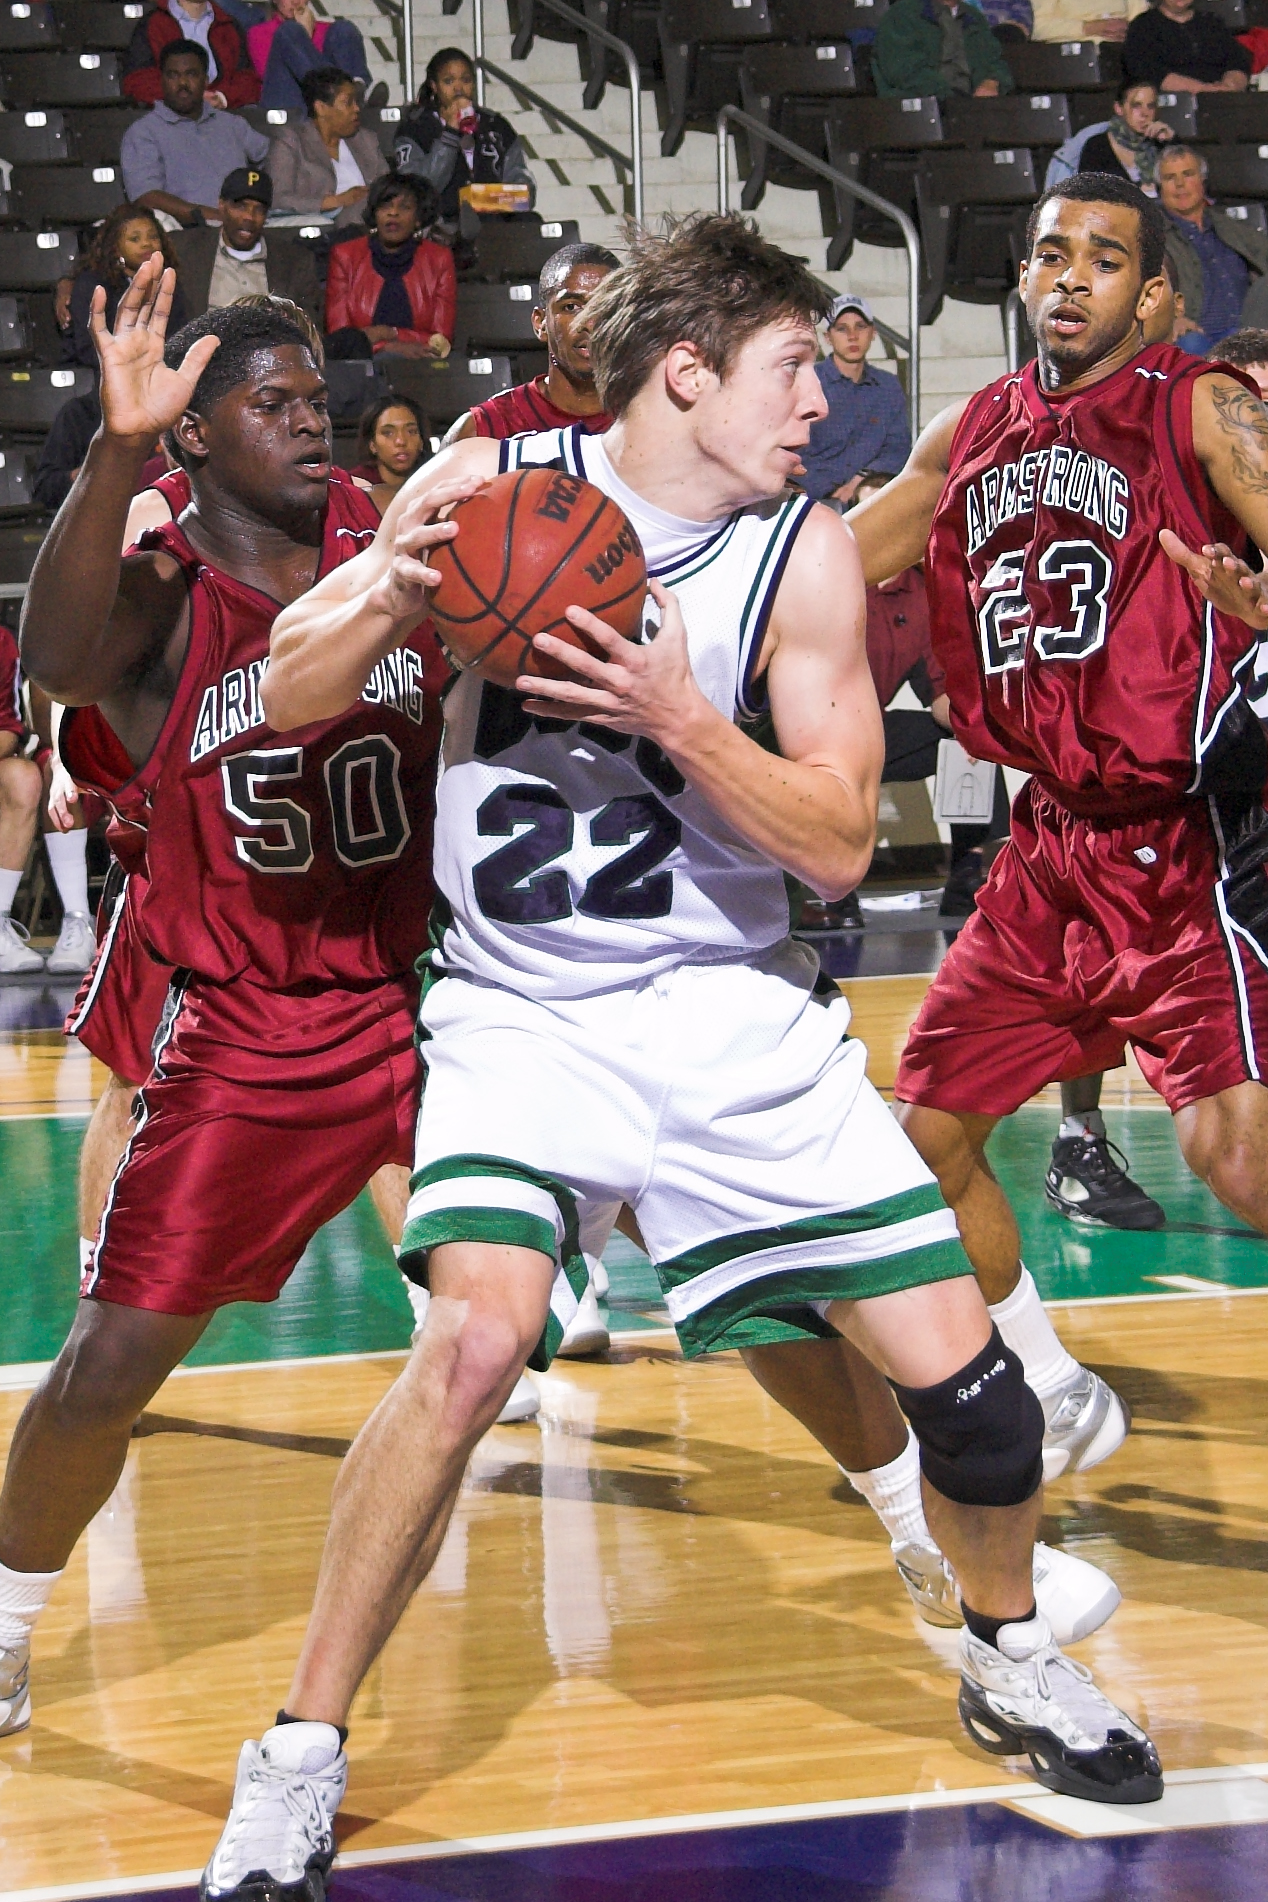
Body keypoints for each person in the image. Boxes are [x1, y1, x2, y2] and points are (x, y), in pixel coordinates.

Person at [196, 212, 1162, 1899]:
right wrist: (396, 583)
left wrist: (676, 715)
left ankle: (1005, 1652)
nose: (820, 403)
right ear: (689, 370)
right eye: (794, 369)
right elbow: (281, 688)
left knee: (986, 1414)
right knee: (469, 1351)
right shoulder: (492, 485)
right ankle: (295, 1750)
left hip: (733, 1012)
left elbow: (843, 848)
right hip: (522, 1009)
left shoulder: (793, 560)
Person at [845, 176, 1268, 1531]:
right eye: (1049, 254)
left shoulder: (1199, 403)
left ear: (1152, 294)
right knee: (923, 1150)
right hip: (1044, 855)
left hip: (1181, 847)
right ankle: (1045, 1376)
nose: (1071, 276)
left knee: (1240, 1163)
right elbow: (834, 565)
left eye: (1105, 258)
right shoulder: (970, 429)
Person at [444, 241, 620, 443]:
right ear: (540, 323)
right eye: (571, 307)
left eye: (605, 307)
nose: (590, 323)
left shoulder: (656, 418)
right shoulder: (483, 430)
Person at [0, 630, 94, 975]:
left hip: (123, 763)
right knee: (52, 770)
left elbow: (7, 730)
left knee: (38, 777)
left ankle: (78, 920)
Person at [120, 41, 270, 228]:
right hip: (185, 233)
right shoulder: (143, 132)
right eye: (173, 75)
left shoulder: (233, 125)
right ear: (162, 80)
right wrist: (214, 217)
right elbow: (147, 197)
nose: (182, 83)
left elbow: (273, 160)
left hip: (244, 227)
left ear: (205, 80)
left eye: (191, 74)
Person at [394, 47, 536, 226]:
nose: (458, 88)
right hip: (443, 222)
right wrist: (450, 133)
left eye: (466, 80)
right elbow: (419, 189)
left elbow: (519, 177)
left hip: (494, 216)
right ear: (434, 86)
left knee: (532, 222)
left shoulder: (496, 125)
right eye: (448, 81)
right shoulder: (415, 127)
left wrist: (515, 194)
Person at [168, 166, 323, 326]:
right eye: (241, 206)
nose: (249, 216)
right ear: (222, 206)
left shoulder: (295, 261)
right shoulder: (184, 248)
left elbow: (309, 326)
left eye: (259, 209)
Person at [324, 172, 454, 359]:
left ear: (418, 218)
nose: (393, 213)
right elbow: (341, 338)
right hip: (360, 363)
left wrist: (388, 333)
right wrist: (387, 348)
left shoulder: (439, 258)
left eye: (405, 207)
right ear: (375, 213)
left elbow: (441, 339)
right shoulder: (345, 255)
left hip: (421, 362)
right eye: (385, 206)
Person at [799, 294, 911, 507]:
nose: (852, 336)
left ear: (873, 333)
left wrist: (862, 480)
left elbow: (897, 447)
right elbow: (795, 448)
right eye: (842, 328)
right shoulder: (808, 382)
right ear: (828, 337)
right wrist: (830, 488)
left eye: (860, 326)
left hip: (870, 491)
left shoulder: (888, 386)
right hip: (813, 494)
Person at [1158, 145, 1268, 351]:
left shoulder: (1231, 228)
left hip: (1247, 328)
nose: (1180, 184)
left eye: (1188, 174)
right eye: (1170, 178)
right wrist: (1171, 319)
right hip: (1197, 333)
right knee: (1190, 345)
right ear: (1160, 187)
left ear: (1202, 180)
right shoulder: (1154, 236)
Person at [59, 206, 187, 371]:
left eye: (153, 237)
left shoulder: (169, 282)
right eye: (135, 239)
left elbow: (178, 338)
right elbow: (87, 348)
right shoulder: (92, 285)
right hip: (103, 375)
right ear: (115, 247)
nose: (146, 244)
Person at [267, 64, 387, 228]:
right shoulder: (291, 140)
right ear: (321, 108)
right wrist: (335, 201)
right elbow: (277, 198)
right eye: (348, 102)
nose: (357, 109)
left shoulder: (366, 139)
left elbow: (389, 186)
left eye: (356, 102)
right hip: (323, 226)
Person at [123, 0, 260, 109]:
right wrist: (187, 98)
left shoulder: (229, 26)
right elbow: (138, 82)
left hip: (224, 117)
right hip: (170, 120)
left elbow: (247, 80)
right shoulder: (153, 23)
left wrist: (222, 98)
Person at [246, 0, 372, 114]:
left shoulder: (329, 31)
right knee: (290, 30)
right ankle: (341, 93)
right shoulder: (259, 33)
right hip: (286, 100)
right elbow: (268, 73)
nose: (295, 2)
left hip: (327, 104)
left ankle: (356, 91)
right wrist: (304, 34)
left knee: (343, 28)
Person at [873, 0, 1015, 100]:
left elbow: (995, 62)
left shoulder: (974, 17)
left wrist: (992, 82)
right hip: (921, 109)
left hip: (973, 109)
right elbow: (903, 69)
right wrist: (949, 95)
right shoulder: (902, 14)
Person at [1124, 0, 1251, 91]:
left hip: (1221, 102)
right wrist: (1202, 89)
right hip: (1173, 107)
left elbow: (1238, 60)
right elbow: (1146, 71)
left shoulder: (1212, 22)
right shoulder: (1143, 26)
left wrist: (1229, 86)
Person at [1078, 80, 1174, 194]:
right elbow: (1087, 195)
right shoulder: (1097, 147)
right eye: (1136, 106)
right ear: (1119, 108)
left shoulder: (1163, 143)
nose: (1145, 113)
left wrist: (1172, 142)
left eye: (1150, 106)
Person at [350, 393, 428, 493]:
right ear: (372, 444)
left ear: (421, 441)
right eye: (388, 433)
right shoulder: (352, 487)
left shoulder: (437, 481)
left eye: (411, 432)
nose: (401, 441)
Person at [1032, 0, 1145, 42]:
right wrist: (1087, 28)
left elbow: (1143, 20)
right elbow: (1037, 27)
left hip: (1122, 52)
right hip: (1074, 58)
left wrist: (1130, 31)